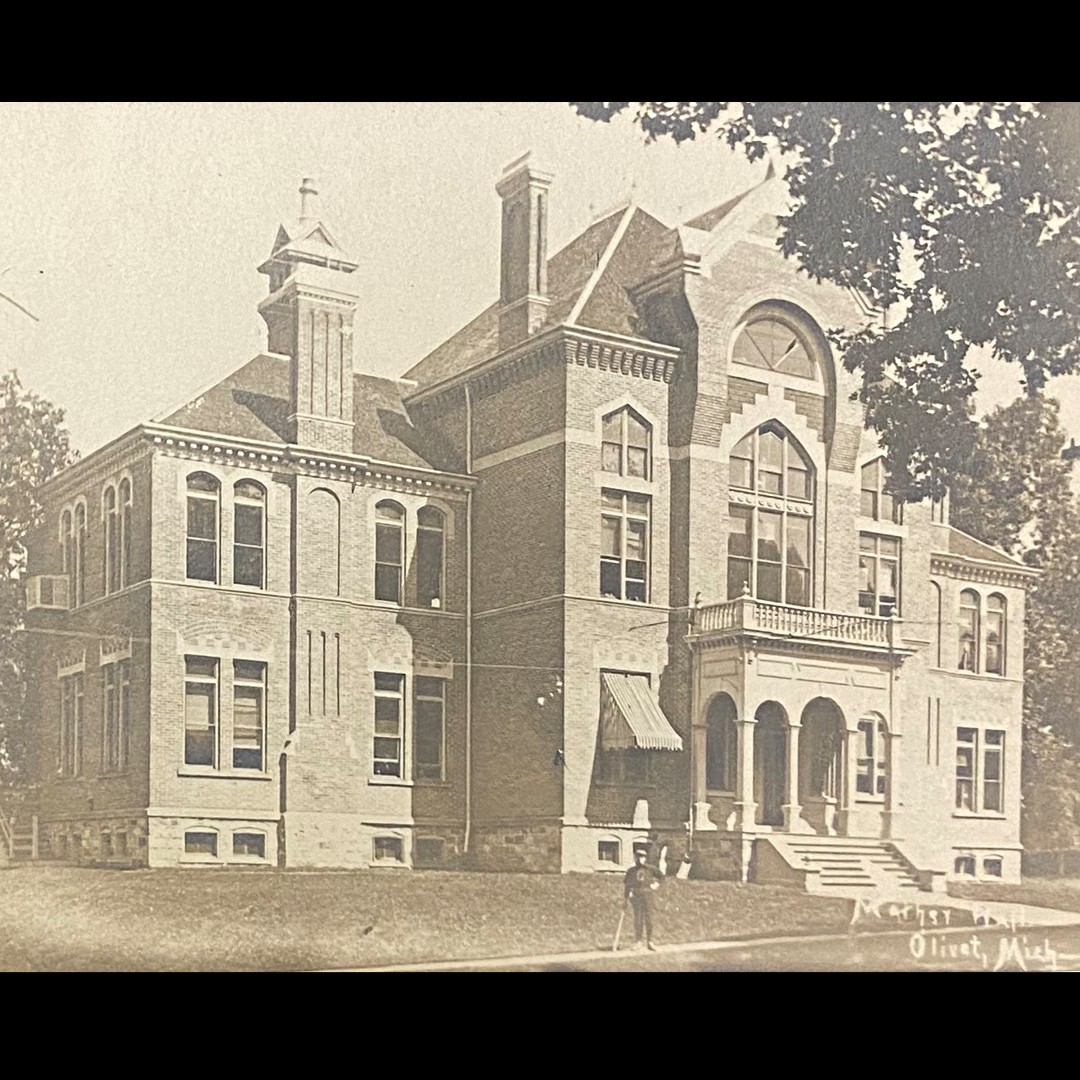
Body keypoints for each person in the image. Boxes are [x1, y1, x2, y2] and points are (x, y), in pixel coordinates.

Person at [623, 845, 662, 951]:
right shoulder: (631, 871)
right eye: (638, 856)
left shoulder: (651, 869)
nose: (640, 859)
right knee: (638, 919)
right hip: (636, 896)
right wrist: (626, 898)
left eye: (642, 856)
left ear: (645, 858)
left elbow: (662, 877)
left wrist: (656, 884)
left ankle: (650, 941)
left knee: (649, 918)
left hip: (648, 895)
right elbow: (627, 885)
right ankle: (638, 941)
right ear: (635, 857)